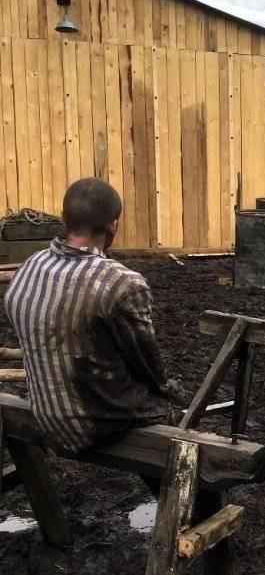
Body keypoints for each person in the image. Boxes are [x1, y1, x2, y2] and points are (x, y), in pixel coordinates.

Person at [4, 178, 173, 453]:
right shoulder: (122, 283)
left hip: (44, 411)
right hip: (96, 426)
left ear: (63, 219)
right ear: (113, 225)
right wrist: (166, 390)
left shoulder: (29, 266)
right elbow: (147, 364)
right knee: (169, 416)